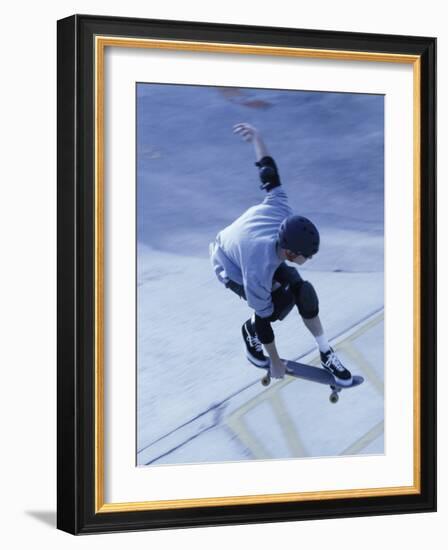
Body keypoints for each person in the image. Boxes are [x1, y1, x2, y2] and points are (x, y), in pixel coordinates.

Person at [209, 123, 352, 386]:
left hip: (250, 242)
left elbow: (268, 171)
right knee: (273, 308)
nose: (307, 261)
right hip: (228, 263)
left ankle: (325, 352)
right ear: (289, 251)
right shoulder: (258, 269)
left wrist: (257, 137)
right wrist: (274, 361)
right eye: (305, 256)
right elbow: (266, 323)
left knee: (302, 290)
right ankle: (247, 331)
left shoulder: (280, 206)